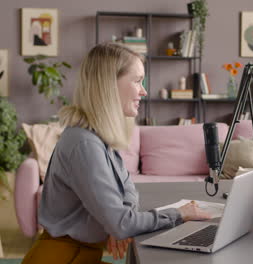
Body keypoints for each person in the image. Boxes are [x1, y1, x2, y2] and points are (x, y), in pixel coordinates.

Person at [22, 43, 211, 264]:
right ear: (109, 84)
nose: (144, 91)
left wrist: (114, 222)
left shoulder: (98, 138)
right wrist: (180, 214)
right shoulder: (85, 144)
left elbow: (128, 193)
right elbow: (123, 223)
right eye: (137, 80)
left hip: (81, 256)